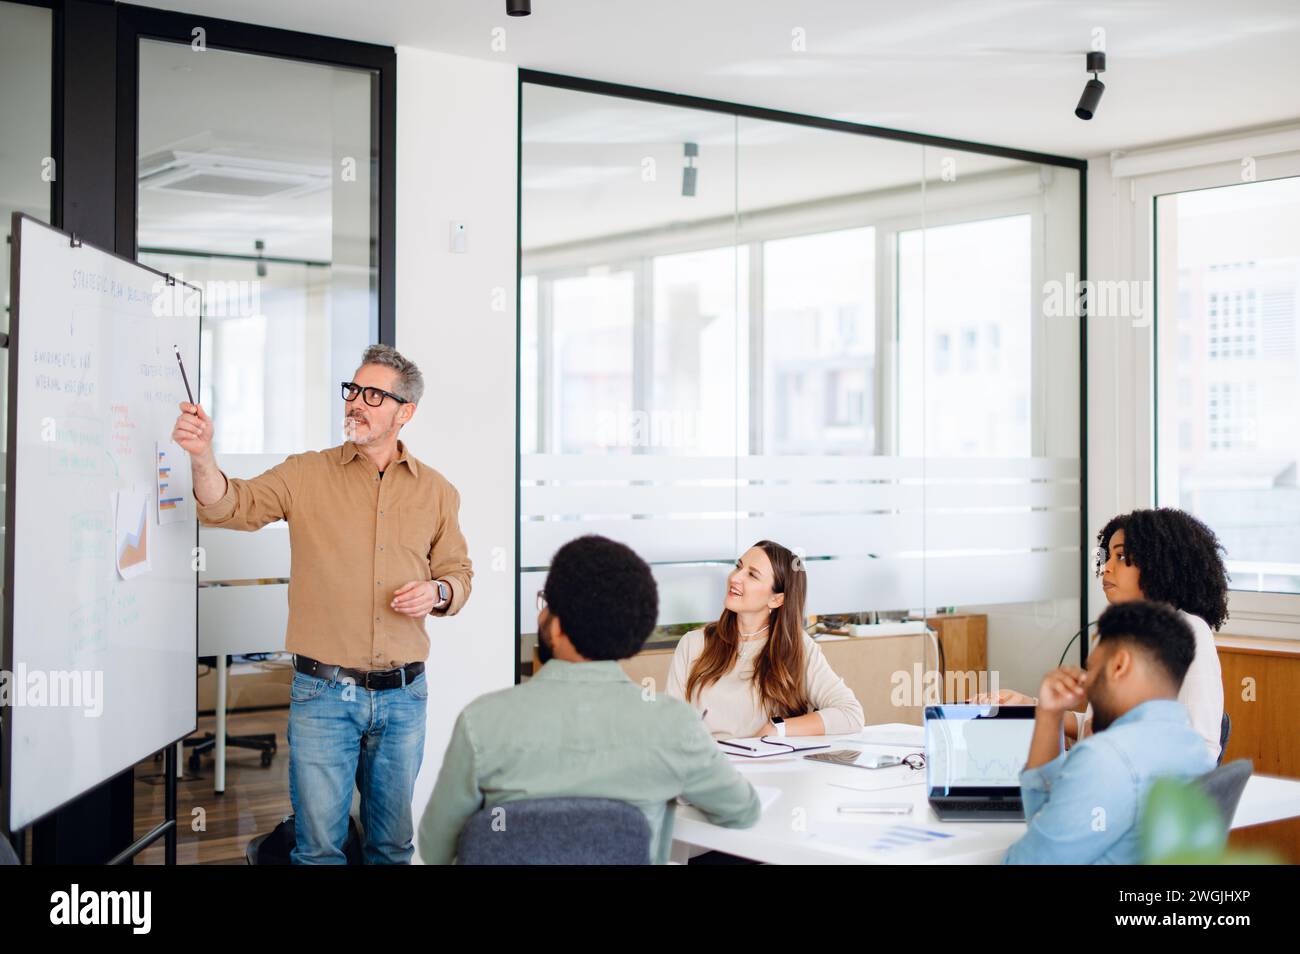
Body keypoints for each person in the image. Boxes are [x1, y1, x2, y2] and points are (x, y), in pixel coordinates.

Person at [173, 343, 472, 864]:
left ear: (406, 412)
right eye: (353, 389)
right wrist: (202, 458)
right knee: (317, 851)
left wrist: (438, 592)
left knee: (393, 847)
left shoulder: (438, 492)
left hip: (405, 698)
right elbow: (229, 506)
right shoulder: (305, 473)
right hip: (324, 695)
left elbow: (459, 574)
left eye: (374, 394)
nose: (356, 401)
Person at [418, 535, 760, 864]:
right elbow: (742, 811)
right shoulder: (674, 726)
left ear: (556, 627)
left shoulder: (483, 720)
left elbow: (435, 849)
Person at [984, 508, 1227, 760]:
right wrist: (1031, 707)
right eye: (1107, 556)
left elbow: (1203, 749)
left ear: (1158, 564)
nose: (1106, 568)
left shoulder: (1190, 633)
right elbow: (1095, 731)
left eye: (1121, 557)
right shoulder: (1118, 636)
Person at [1004, 600, 1216, 864]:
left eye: (1091, 668)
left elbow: (1028, 861)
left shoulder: (1106, 758)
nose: (1087, 683)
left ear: (1119, 666)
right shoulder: (1195, 750)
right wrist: (1049, 715)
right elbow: (1044, 824)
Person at [666, 540, 863, 740]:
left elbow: (850, 714)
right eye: (738, 567)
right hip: (708, 768)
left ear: (776, 599)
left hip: (771, 769)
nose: (735, 577)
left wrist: (778, 727)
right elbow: (670, 727)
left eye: (752, 575)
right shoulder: (693, 643)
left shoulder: (798, 649)